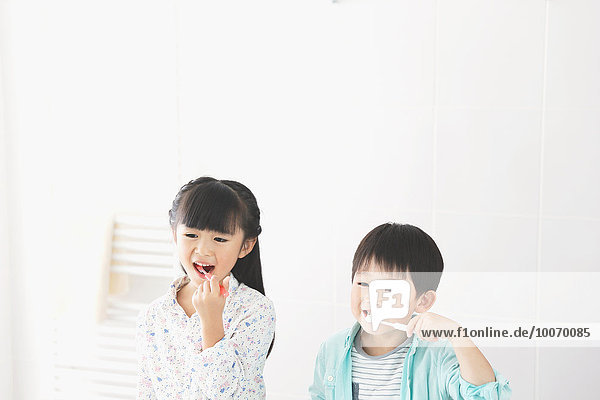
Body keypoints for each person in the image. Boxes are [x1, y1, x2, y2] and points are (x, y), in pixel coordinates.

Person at [309, 223, 511, 399]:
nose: (370, 297)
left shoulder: (437, 354)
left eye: (387, 289)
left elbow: (486, 395)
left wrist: (458, 335)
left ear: (423, 301)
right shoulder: (332, 349)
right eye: (363, 282)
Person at [136, 177, 275, 399]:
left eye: (219, 239)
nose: (203, 250)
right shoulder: (154, 315)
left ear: (246, 246)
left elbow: (224, 393)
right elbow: (147, 391)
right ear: (174, 235)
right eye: (191, 235)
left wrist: (211, 321)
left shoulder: (255, 310)